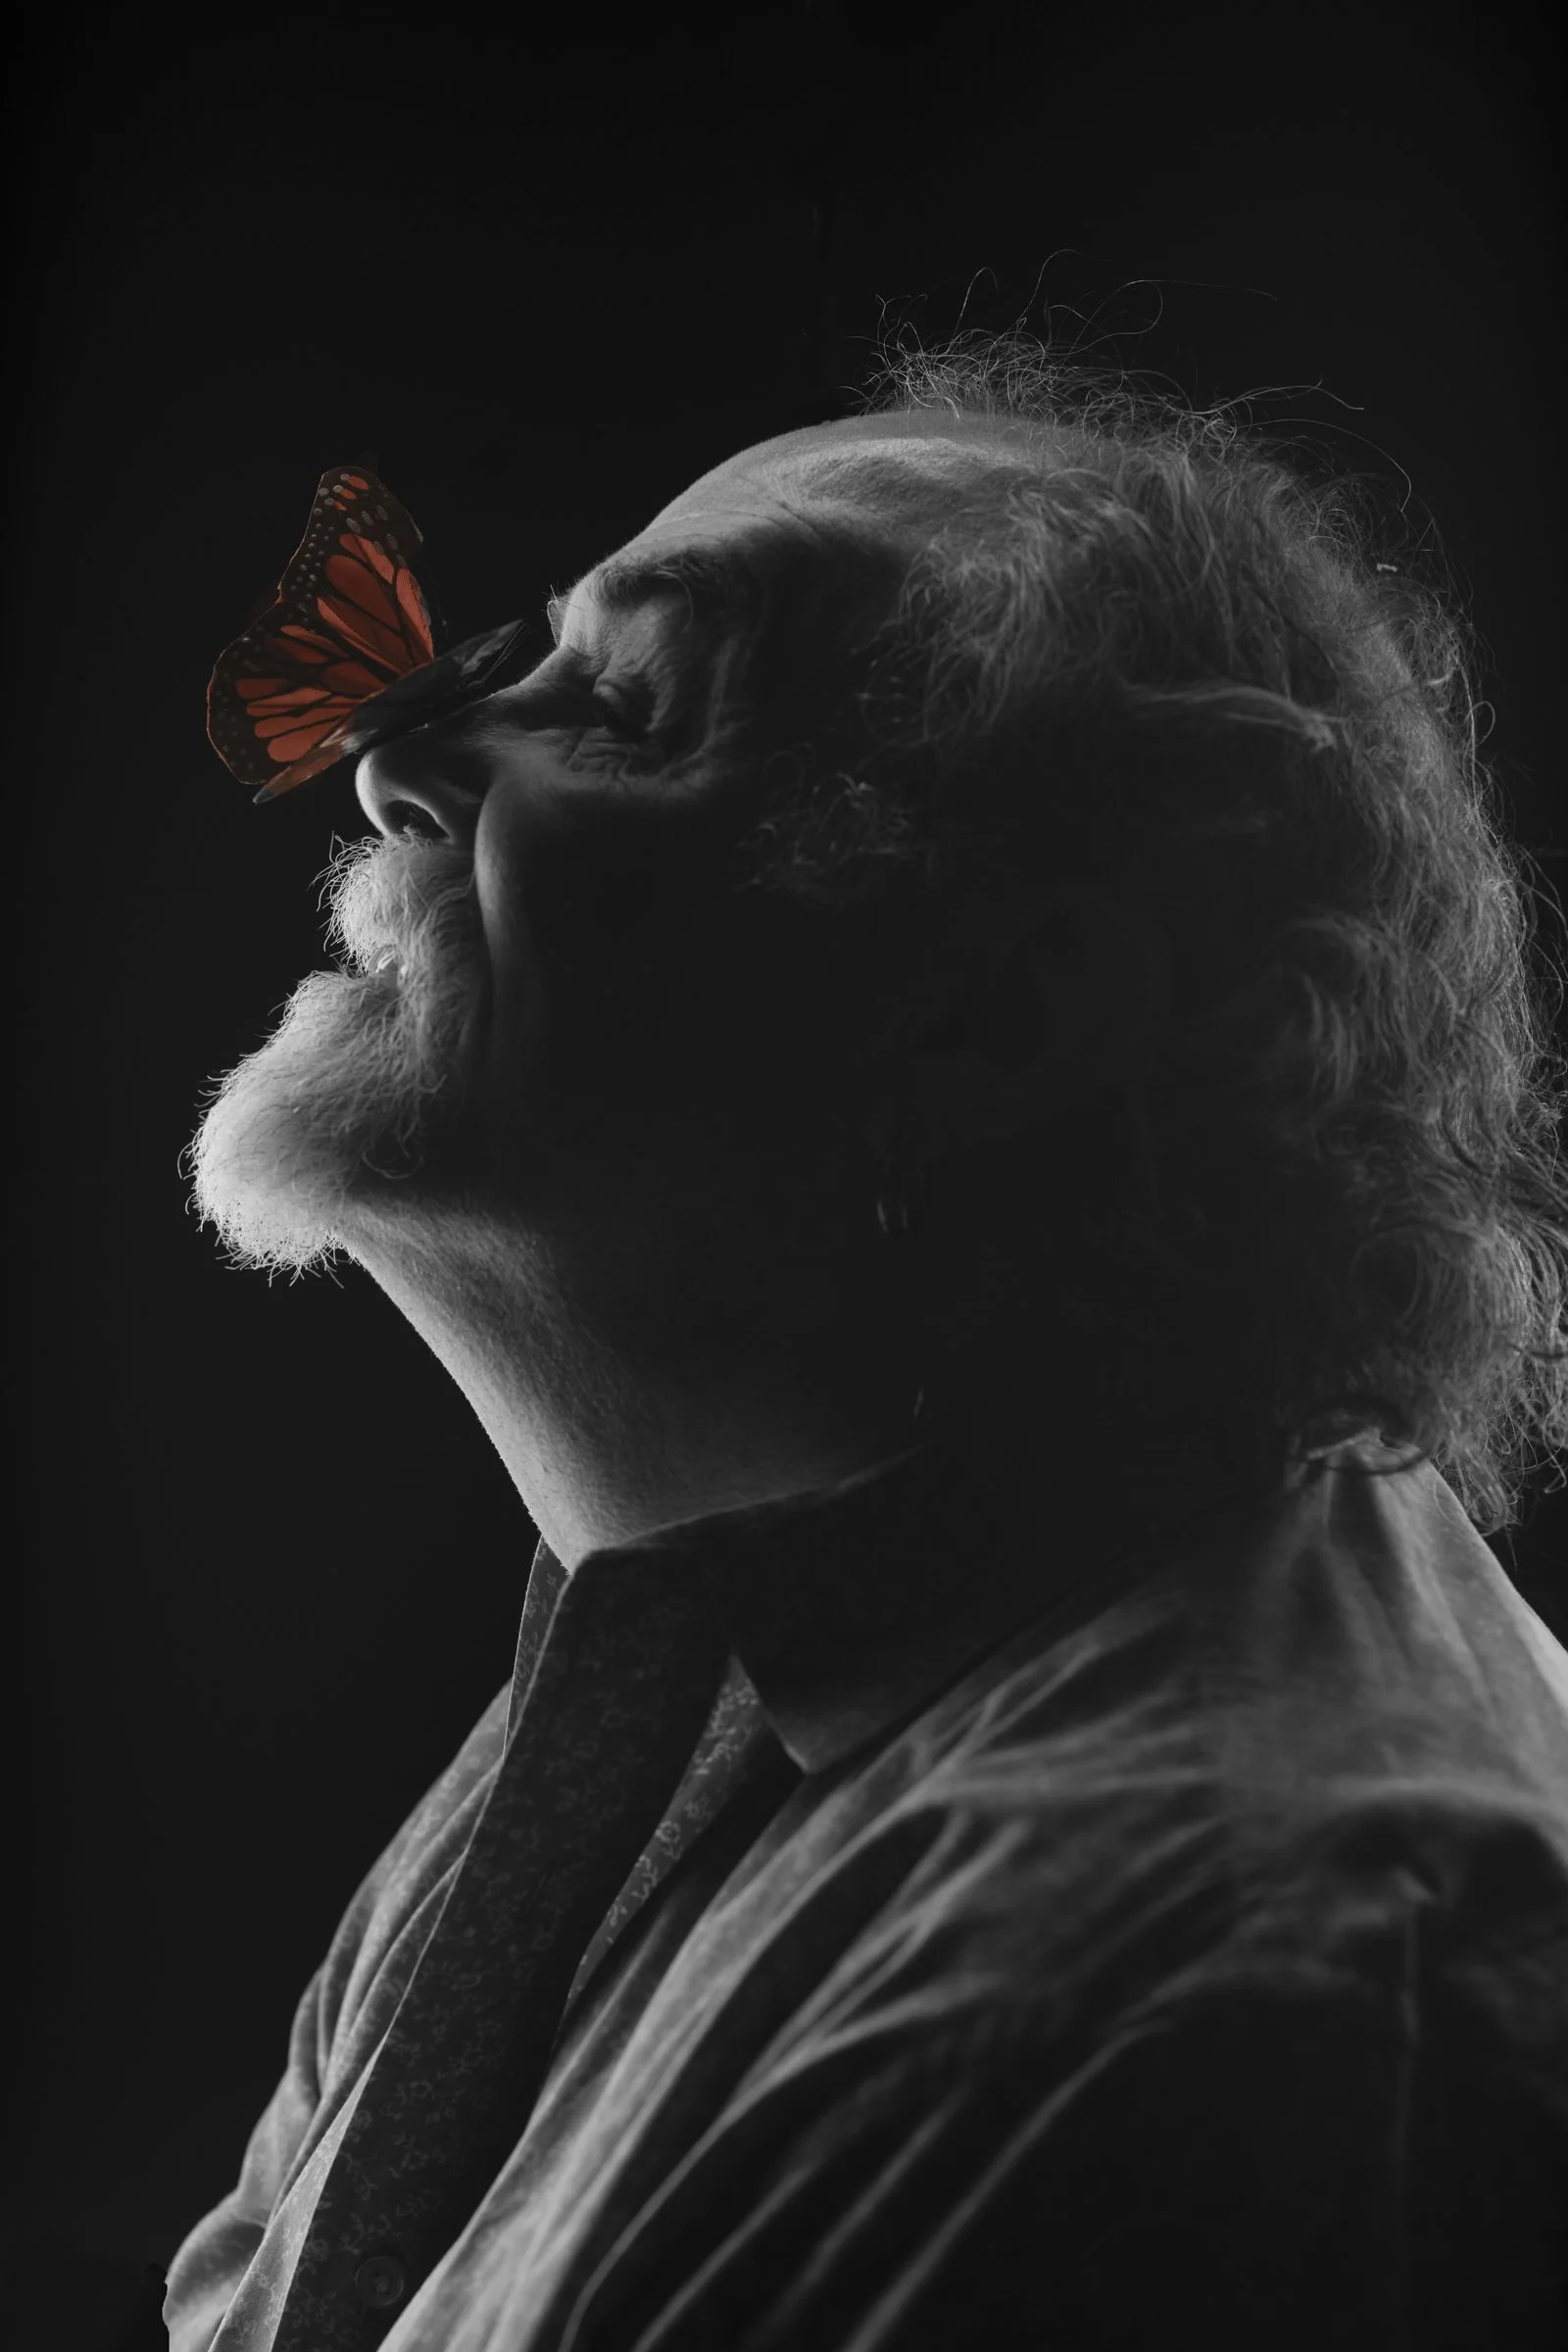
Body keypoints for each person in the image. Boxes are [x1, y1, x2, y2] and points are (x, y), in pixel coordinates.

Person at [171, 333, 1568, 2349]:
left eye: (630, 706)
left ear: (1003, 1016)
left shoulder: (1268, 2006)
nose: (395, 762)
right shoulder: (682, 1671)